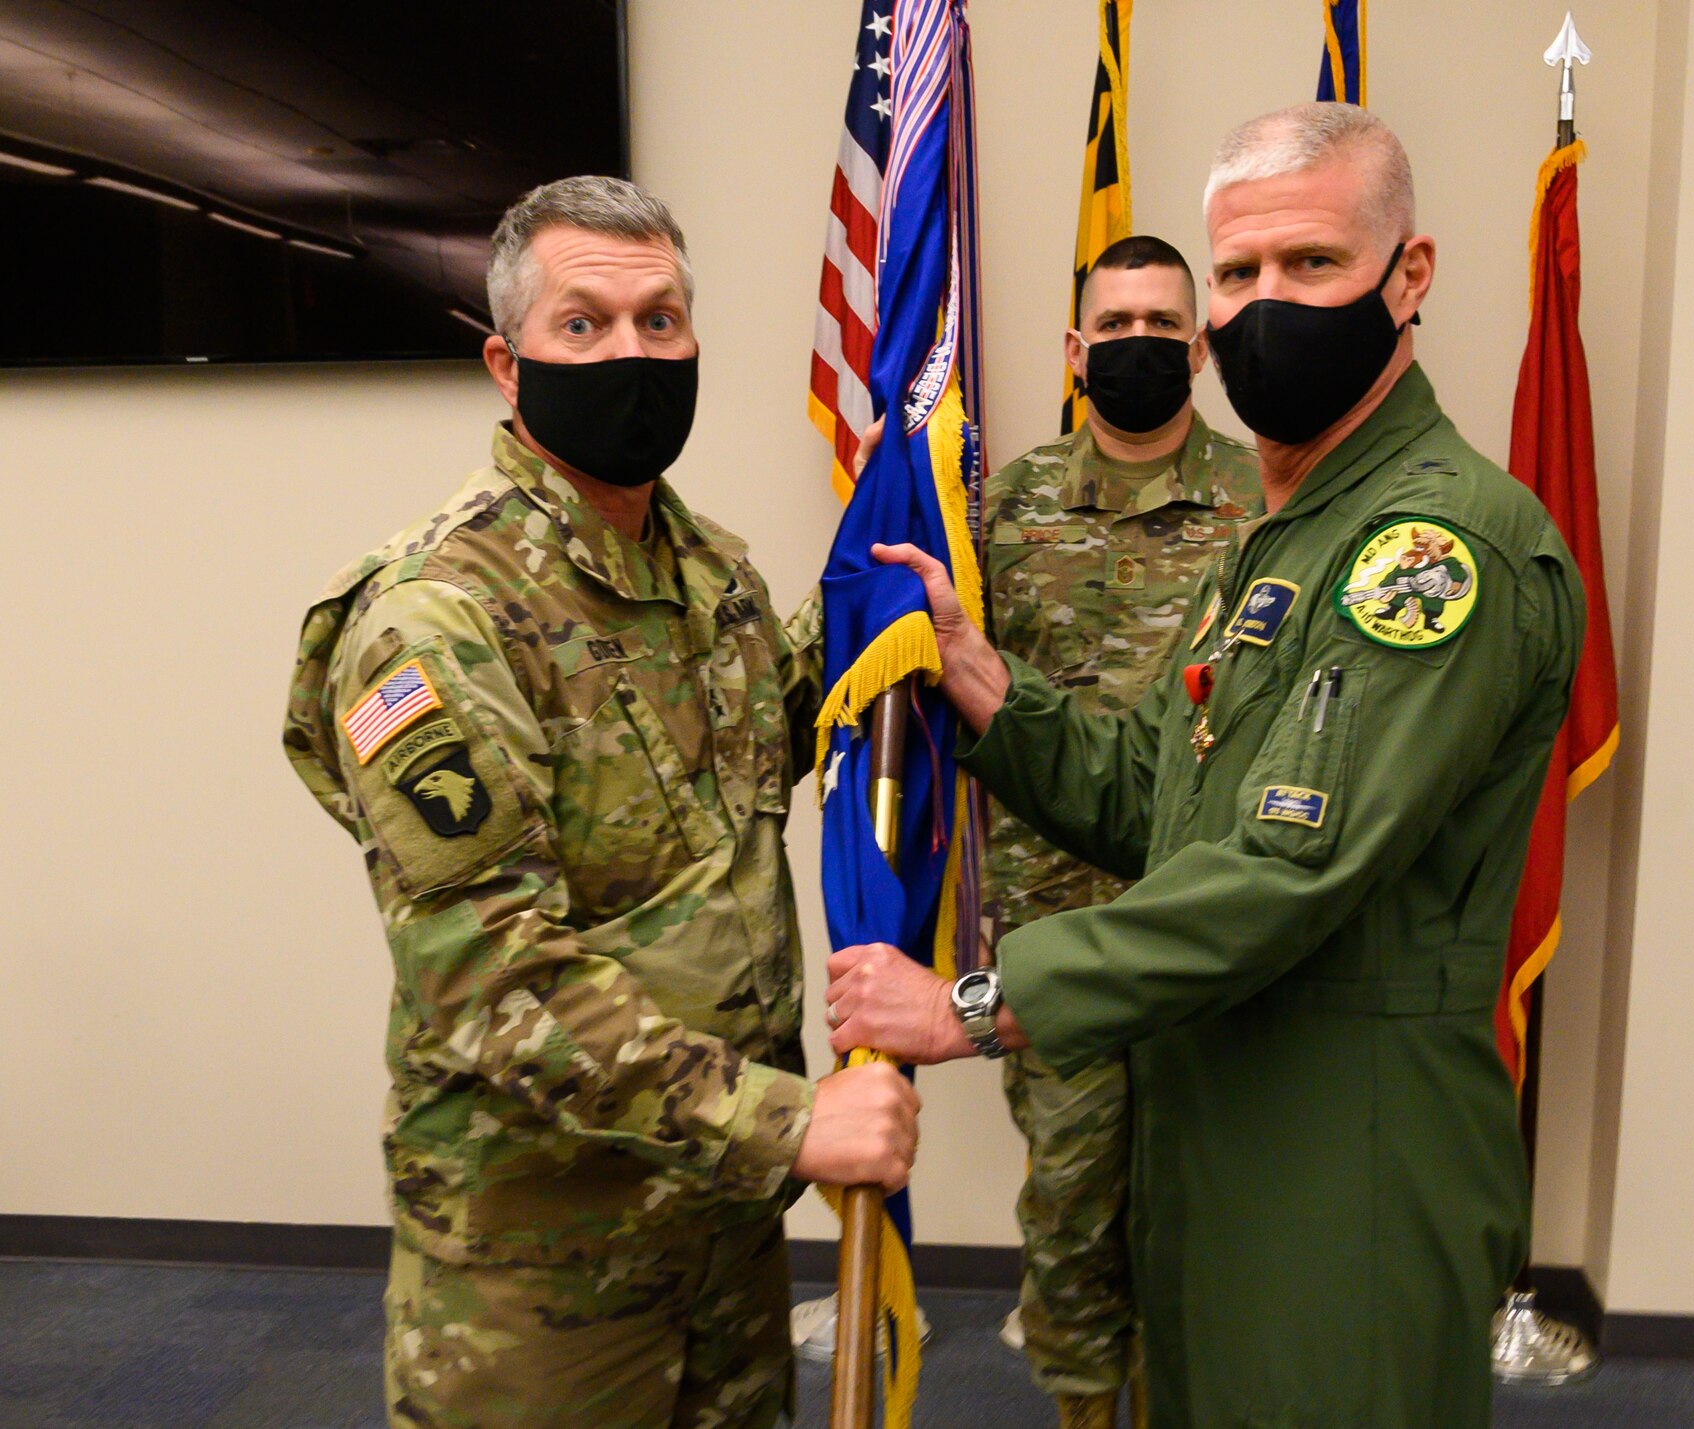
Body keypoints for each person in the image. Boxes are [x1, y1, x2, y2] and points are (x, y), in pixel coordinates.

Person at [821, 104, 1586, 1429]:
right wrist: (991, 687)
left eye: (1313, 265)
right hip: (1220, 1130)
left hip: (1342, 1156)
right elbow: (1172, 800)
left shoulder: (1436, 548)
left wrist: (976, 1003)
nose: (1264, 304)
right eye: (1238, 275)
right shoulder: (1279, 535)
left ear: (1410, 277)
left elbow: (1290, 865)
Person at [282, 176, 918, 1429]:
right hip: (544, 1268)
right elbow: (490, 976)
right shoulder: (434, 618)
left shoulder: (708, 574)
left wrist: (902, 605)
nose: (632, 351)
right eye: (584, 324)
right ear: (507, 366)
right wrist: (784, 1122)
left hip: (717, 1229)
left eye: (660, 320)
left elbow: (761, 744)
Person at [984, 234, 1258, 1428]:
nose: (1138, 344)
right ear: (1073, 350)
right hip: (1055, 928)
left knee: (1221, 1219)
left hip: (1216, 932)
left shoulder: (1265, 502)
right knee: (1070, 1214)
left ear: (1198, 347)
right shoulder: (1006, 504)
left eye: (1162, 325)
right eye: (1115, 326)